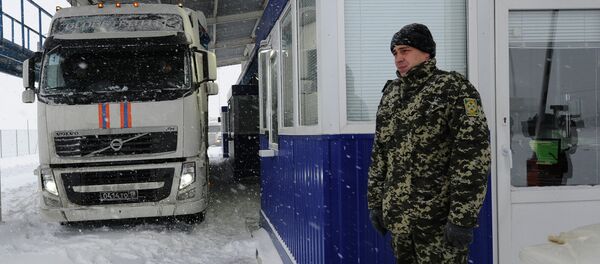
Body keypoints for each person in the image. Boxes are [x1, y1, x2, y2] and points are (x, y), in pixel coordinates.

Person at [367, 23, 491, 263]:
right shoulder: (391, 95)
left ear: (426, 52)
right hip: (400, 222)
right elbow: (380, 154)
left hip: (438, 223)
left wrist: (462, 218)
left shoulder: (453, 89)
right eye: (394, 53)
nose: (398, 58)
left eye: (405, 50)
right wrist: (376, 203)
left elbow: (473, 157)